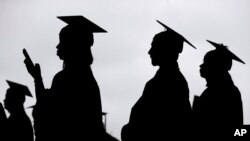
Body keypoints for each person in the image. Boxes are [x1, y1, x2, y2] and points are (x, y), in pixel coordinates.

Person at [24, 15, 107, 141]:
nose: (57, 46)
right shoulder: (85, 78)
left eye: (62, 41)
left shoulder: (67, 79)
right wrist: (37, 77)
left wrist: (37, 79)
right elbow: (47, 102)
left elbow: (48, 111)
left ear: (74, 45)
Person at [121, 20, 196, 140]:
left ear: (165, 50)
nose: (149, 51)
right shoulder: (168, 80)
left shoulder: (169, 82)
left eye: (154, 46)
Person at [193, 40, 244, 137]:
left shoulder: (225, 92)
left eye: (206, 62)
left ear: (216, 66)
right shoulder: (221, 90)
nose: (201, 65)